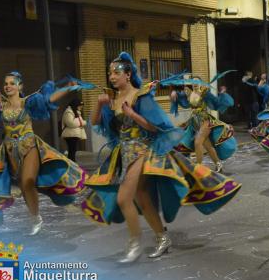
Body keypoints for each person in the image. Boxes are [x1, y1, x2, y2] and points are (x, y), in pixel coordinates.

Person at [82, 53, 241, 263]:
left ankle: (135, 243)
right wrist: (99, 105)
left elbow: (155, 127)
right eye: (109, 73)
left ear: (128, 75)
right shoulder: (111, 98)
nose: (112, 76)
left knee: (123, 198)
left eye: (116, 72)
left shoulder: (141, 96)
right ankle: (162, 238)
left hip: (142, 150)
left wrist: (133, 115)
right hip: (123, 153)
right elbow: (95, 122)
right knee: (142, 198)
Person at [0, 72, 88, 234]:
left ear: (20, 86)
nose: (8, 86)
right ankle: (35, 217)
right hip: (10, 150)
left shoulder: (28, 102)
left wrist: (69, 88)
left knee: (28, 181)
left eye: (12, 83)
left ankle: (35, 218)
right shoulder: (1, 105)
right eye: (6, 83)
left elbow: (50, 99)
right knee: (24, 186)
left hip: (30, 145)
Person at [170, 76, 237, 173]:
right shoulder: (189, 93)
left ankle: (199, 168)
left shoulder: (205, 93)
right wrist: (174, 93)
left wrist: (222, 94)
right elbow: (181, 99)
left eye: (197, 82)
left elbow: (216, 102)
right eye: (193, 82)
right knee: (208, 146)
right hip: (194, 122)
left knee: (197, 142)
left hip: (205, 121)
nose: (195, 83)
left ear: (201, 83)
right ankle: (218, 165)